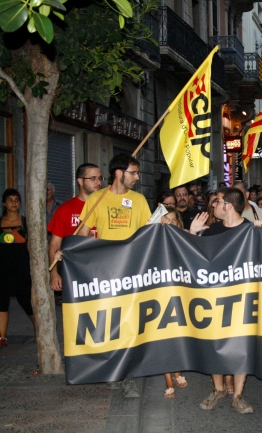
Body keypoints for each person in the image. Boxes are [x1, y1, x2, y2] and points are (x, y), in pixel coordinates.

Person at [77, 154, 151, 398]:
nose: (137, 177)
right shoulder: (97, 199)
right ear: (119, 173)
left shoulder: (139, 200)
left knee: (130, 324)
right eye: (133, 172)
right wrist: (72, 253)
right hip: (106, 272)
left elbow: (147, 235)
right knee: (109, 323)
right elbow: (83, 233)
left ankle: (128, 376)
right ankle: (112, 370)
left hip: (132, 271)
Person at [189, 187, 262, 414]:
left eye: (217, 202)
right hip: (215, 298)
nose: (213, 205)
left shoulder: (253, 230)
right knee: (215, 343)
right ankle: (218, 389)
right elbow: (190, 259)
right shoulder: (211, 231)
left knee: (242, 346)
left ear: (228, 205)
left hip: (243, 299)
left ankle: (238, 395)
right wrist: (192, 234)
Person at [48, 164, 103, 293]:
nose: (98, 182)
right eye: (93, 178)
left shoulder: (107, 206)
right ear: (80, 181)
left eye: (100, 178)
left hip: (103, 267)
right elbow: (55, 244)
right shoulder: (65, 209)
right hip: (75, 271)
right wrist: (54, 273)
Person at [158, 206, 189, 398]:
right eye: (165, 219)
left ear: (179, 221)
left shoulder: (185, 236)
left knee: (178, 334)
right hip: (160, 292)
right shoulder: (153, 239)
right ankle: (168, 379)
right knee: (163, 335)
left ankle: (178, 370)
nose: (169, 222)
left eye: (173, 219)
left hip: (181, 291)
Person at [0, 189, 34, 348]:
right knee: (1, 302)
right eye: (10, 199)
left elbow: (31, 247)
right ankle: (2, 337)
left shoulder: (26, 222)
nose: (14, 203)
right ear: (4, 203)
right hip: (2, 270)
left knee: (26, 301)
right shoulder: (0, 222)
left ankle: (39, 329)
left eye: (17, 200)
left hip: (22, 269)